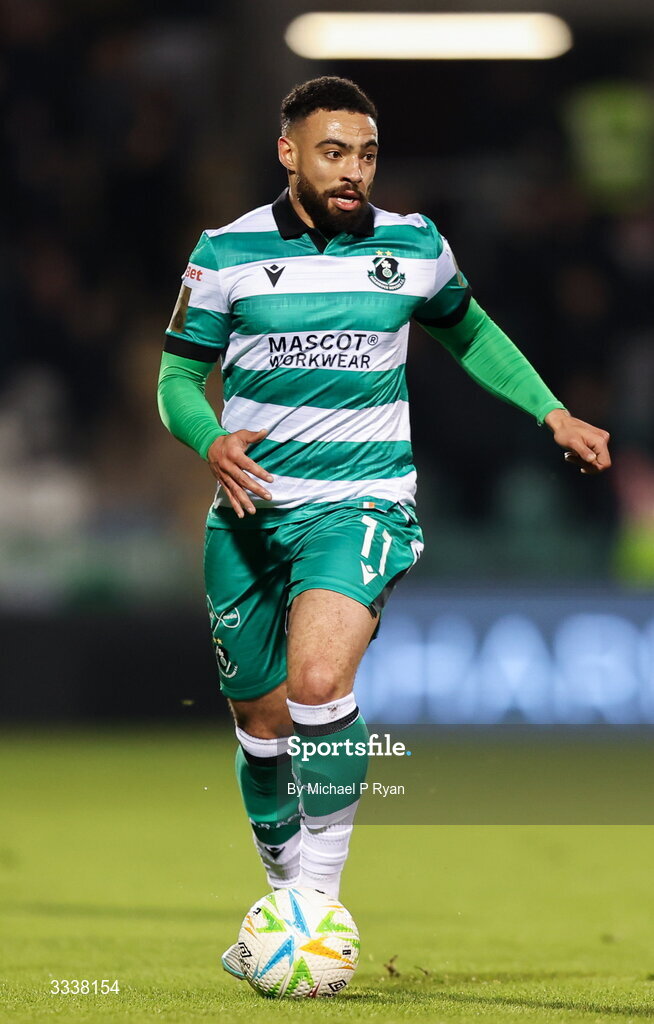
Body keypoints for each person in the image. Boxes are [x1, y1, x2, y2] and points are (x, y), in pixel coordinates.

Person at [157, 76, 611, 977]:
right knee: (261, 723)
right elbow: (175, 383)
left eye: (366, 155)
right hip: (248, 513)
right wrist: (211, 442)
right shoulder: (224, 253)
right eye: (333, 152)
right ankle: (287, 900)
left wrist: (550, 411)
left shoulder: (414, 245)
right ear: (289, 152)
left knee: (319, 681)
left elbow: (470, 331)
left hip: (363, 503)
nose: (353, 171)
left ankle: (317, 910)